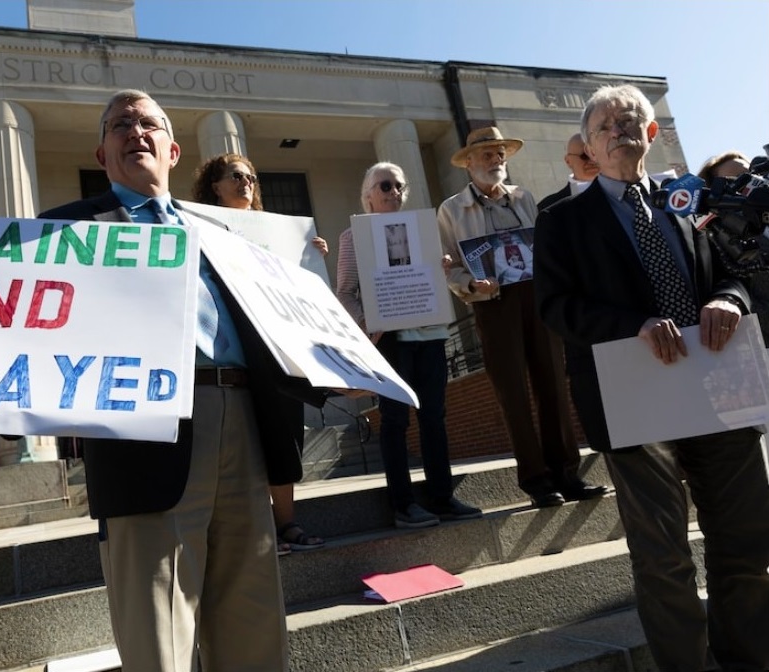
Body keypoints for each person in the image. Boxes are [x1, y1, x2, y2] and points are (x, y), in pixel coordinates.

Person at [38, 90, 325, 672]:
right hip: (146, 437)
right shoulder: (61, 230)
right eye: (121, 124)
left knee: (253, 622)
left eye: (148, 123)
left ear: (172, 150)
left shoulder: (228, 233)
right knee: (159, 637)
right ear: (102, 153)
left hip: (245, 421)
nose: (135, 131)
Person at [535, 84, 769, 671]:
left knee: (745, 541)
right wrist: (633, 325)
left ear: (652, 132)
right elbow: (556, 307)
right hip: (633, 401)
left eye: (630, 119)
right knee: (664, 557)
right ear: (588, 146)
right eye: (605, 126)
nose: (619, 130)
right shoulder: (561, 220)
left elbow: (732, 275)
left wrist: (732, 303)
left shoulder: (685, 199)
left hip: (717, 391)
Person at [438, 126, 607, 508]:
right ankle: (535, 479)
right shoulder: (451, 209)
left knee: (553, 384)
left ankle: (567, 472)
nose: (496, 159)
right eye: (486, 154)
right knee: (512, 391)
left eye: (500, 153)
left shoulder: (524, 197)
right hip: (493, 303)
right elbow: (448, 266)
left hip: (537, 297)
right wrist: (469, 285)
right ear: (468, 162)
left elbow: (543, 247)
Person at [191, 152, 326, 555]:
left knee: (284, 435)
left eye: (250, 176)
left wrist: (311, 257)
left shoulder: (277, 233)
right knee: (247, 437)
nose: (246, 182)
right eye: (235, 176)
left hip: (281, 348)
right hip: (235, 349)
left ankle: (287, 523)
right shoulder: (200, 229)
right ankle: (257, 529)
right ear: (215, 186)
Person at [336, 161, 482, 528]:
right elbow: (345, 294)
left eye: (399, 186)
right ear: (368, 194)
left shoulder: (423, 231)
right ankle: (402, 504)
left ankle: (442, 497)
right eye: (385, 186)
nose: (394, 192)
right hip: (391, 342)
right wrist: (372, 325)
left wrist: (440, 269)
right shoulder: (354, 237)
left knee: (434, 418)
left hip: (430, 335)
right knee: (395, 420)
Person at [537, 132, 600, 211]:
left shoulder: (618, 196)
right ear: (568, 161)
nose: (592, 161)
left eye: (595, 154)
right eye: (585, 156)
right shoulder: (548, 207)